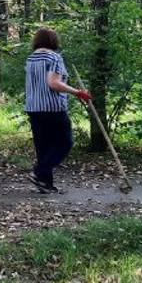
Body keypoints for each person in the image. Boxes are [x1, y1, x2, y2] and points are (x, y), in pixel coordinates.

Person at [24, 27, 92, 194]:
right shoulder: (54, 57)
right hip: (52, 108)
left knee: (44, 147)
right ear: (53, 41)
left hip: (34, 107)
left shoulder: (31, 58)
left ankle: (45, 184)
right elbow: (53, 83)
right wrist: (77, 92)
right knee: (65, 142)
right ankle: (40, 171)